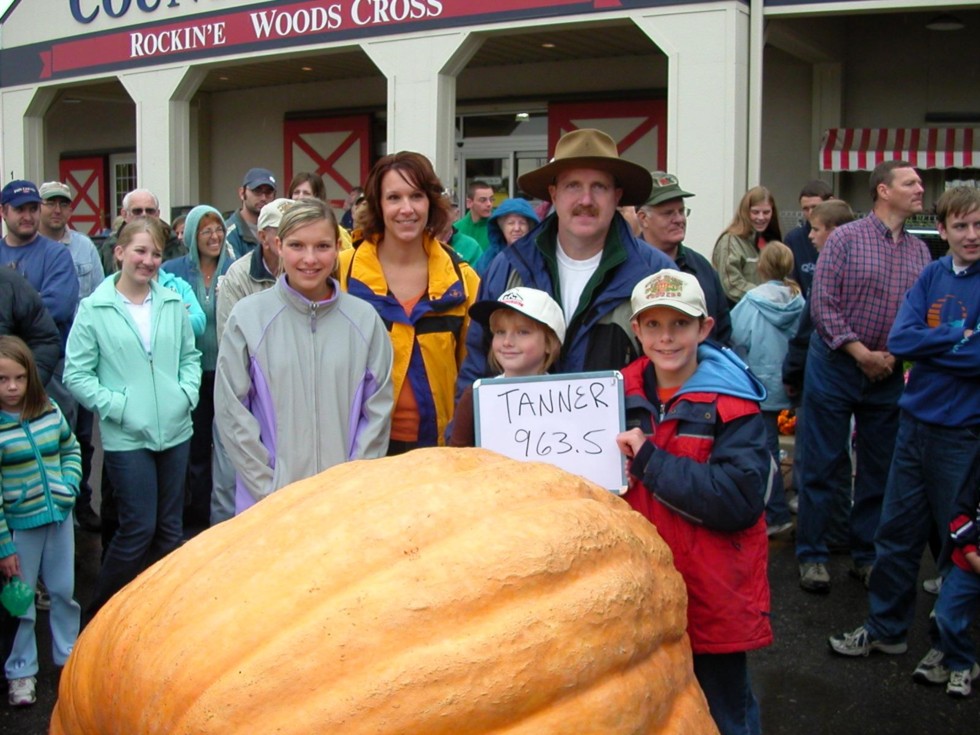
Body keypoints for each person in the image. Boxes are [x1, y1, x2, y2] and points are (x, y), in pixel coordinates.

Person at [828, 187, 980, 676]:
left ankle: (952, 648)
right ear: (943, 230)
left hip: (964, 433)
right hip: (914, 425)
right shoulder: (933, 274)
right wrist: (958, 336)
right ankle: (886, 629)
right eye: (961, 226)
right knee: (895, 534)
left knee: (959, 545)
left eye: (978, 225)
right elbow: (901, 338)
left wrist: (932, 348)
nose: (971, 235)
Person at [615, 269, 771, 735]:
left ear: (705, 328)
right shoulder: (611, 394)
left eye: (680, 324)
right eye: (654, 324)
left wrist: (650, 461)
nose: (666, 337)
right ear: (637, 330)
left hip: (713, 592)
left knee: (724, 713)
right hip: (641, 589)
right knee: (656, 711)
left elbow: (739, 499)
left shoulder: (734, 402)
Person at [796, 160, 931, 593]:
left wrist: (892, 356)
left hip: (887, 371)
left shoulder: (920, 252)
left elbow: (920, 315)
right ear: (883, 191)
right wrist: (860, 352)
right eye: (910, 182)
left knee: (878, 468)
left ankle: (866, 555)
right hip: (836, 364)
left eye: (920, 182)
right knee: (822, 463)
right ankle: (813, 555)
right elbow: (823, 305)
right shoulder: (845, 239)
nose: (920, 188)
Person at [457, 128, 673, 393]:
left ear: (616, 196)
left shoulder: (654, 273)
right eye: (573, 186)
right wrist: (468, 418)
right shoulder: (508, 267)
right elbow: (477, 366)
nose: (586, 200)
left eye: (599, 186)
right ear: (553, 193)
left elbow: (681, 370)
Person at [215, 199, 393, 514]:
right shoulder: (248, 318)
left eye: (322, 246)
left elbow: (377, 411)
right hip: (268, 506)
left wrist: (354, 485)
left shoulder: (364, 320)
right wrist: (269, 489)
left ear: (337, 247)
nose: (309, 259)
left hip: (345, 507)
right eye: (297, 245)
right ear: (279, 246)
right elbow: (232, 412)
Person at [64, 217, 201, 617]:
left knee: (170, 531)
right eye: (140, 251)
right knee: (138, 529)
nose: (149, 261)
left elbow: (190, 357)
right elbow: (76, 374)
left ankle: (158, 617)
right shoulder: (94, 309)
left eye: (156, 253)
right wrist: (118, 406)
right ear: (120, 252)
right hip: (127, 437)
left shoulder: (172, 303)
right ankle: (99, 618)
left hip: (176, 430)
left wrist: (185, 395)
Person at [339, 152, 479, 452]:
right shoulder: (341, 273)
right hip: (358, 451)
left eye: (416, 196)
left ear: (431, 202)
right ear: (378, 204)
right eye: (394, 197)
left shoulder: (462, 280)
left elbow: (474, 371)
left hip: (439, 452)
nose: (407, 209)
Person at [0, 335, 81, 708]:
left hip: (59, 520)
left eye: (19, 378)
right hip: (21, 528)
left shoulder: (49, 410)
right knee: (21, 603)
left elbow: (70, 448)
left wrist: (70, 484)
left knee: (63, 591)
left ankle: (70, 656)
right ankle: (21, 670)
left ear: (30, 377)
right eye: (3, 379)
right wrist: (5, 546)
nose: (12, 387)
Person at [782, 199, 855, 537]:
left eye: (815, 229)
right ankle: (840, 527)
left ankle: (815, 537)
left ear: (835, 232)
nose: (810, 236)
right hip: (853, 373)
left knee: (817, 457)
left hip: (824, 375)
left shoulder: (829, 268)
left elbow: (808, 329)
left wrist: (791, 373)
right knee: (840, 456)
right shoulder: (860, 265)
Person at [160, 205, 234, 534]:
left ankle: (227, 516)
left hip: (227, 372)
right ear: (191, 236)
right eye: (206, 231)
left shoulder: (233, 269)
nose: (214, 236)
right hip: (190, 373)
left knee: (230, 446)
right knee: (197, 448)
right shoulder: (174, 271)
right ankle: (196, 520)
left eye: (218, 229)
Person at [38, 180, 106, 533]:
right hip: (44, 360)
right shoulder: (31, 248)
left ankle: (81, 502)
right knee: (48, 435)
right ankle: (52, 507)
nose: (57, 210)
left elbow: (99, 296)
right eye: (50, 203)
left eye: (63, 204)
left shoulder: (84, 247)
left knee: (82, 437)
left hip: (81, 356)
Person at [731, 241, 805, 537]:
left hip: (760, 384)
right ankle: (799, 500)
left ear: (761, 267)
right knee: (805, 446)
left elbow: (737, 338)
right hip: (794, 381)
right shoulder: (800, 300)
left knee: (767, 451)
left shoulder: (751, 302)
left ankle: (775, 513)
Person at [449, 288, 565, 447]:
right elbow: (456, 457)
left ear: (550, 343)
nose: (507, 342)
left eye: (523, 332)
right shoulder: (475, 396)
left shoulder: (570, 398)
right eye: (500, 332)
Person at [635, 172, 732, 345]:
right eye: (668, 213)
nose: (679, 219)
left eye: (681, 211)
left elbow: (723, 333)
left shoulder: (702, 267)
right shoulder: (626, 268)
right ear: (643, 218)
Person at [0, 180, 79, 349]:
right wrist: (34, 299)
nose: (28, 217)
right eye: (20, 209)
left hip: (49, 357)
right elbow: (39, 311)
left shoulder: (57, 255)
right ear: (3, 211)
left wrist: (7, 312)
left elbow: (59, 307)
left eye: (33, 209)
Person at [216, 198, 295, 342]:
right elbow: (230, 342)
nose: (293, 238)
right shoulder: (238, 277)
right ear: (263, 237)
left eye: (297, 230)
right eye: (284, 231)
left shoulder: (308, 272)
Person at [935, 453, 980, 698]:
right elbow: (960, 512)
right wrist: (972, 555)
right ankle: (961, 663)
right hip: (968, 563)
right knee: (945, 615)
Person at [712, 186, 782, 306]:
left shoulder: (770, 241)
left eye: (766, 212)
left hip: (765, 310)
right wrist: (765, 297)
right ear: (745, 212)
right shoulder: (730, 241)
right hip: (739, 312)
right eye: (755, 212)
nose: (761, 217)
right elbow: (731, 284)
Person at [98, 188, 185, 274]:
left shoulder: (175, 245)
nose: (144, 215)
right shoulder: (110, 247)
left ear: (157, 214)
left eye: (150, 211)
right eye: (137, 211)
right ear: (124, 215)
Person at [782, 180, 833, 295]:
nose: (811, 213)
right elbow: (790, 282)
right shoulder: (794, 239)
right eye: (805, 209)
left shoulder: (846, 236)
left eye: (815, 207)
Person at [473, 198, 540, 276]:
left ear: (530, 227)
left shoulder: (539, 256)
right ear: (502, 228)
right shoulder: (489, 258)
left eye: (522, 223)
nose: (517, 228)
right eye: (511, 223)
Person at [225, 167, 277, 259]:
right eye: (257, 191)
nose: (263, 198)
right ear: (242, 193)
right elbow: (234, 267)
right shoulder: (229, 232)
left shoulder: (278, 229)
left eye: (268, 192)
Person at [453, 180, 495, 255]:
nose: (489, 204)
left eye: (491, 199)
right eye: (483, 200)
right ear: (469, 203)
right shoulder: (455, 229)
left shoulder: (498, 227)